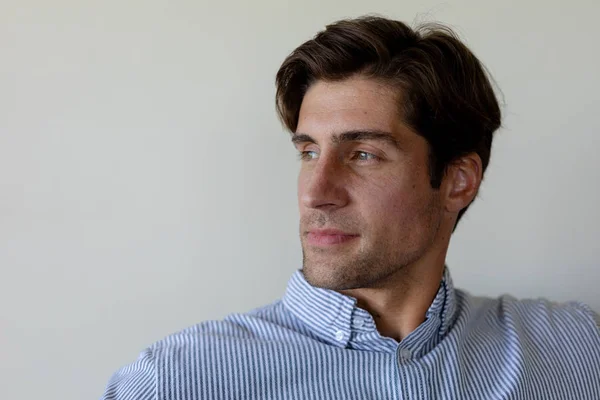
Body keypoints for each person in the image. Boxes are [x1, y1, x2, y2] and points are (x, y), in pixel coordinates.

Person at [101, 16, 600, 399]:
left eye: (363, 154)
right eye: (309, 152)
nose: (316, 192)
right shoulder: (177, 382)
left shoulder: (576, 351)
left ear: (457, 181)